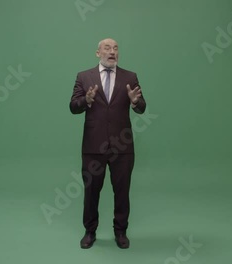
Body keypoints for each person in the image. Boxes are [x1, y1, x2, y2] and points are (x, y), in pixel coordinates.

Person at [69, 38, 147, 249]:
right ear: (98, 53)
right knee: (91, 190)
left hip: (122, 147)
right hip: (93, 146)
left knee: (122, 191)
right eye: (107, 48)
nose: (112, 51)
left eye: (115, 48)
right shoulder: (84, 77)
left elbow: (142, 107)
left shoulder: (130, 77)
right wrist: (86, 100)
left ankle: (120, 232)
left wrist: (134, 101)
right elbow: (73, 107)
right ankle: (90, 231)